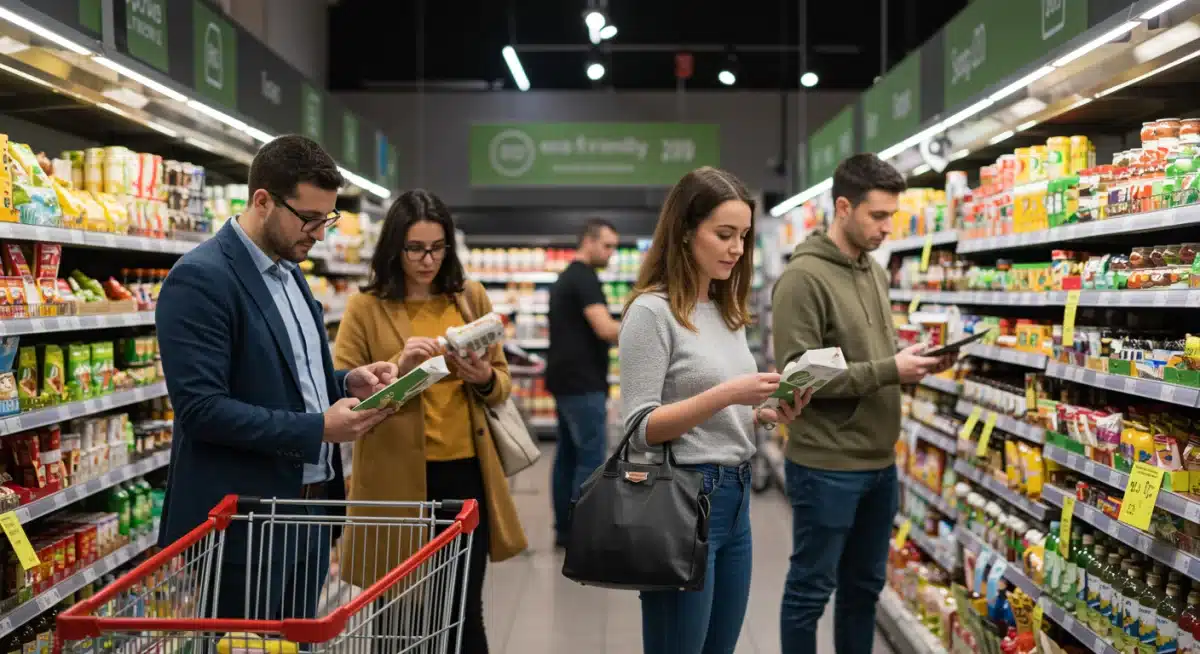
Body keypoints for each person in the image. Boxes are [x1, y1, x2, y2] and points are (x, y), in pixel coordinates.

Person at [155, 135, 399, 623]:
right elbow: (202, 410)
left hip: (309, 514)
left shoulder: (291, 272)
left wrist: (345, 383)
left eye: (327, 219)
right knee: (245, 647)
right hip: (244, 525)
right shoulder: (201, 278)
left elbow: (290, 378)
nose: (320, 235)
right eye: (309, 219)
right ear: (263, 201)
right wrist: (319, 429)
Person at [620, 167, 812, 653]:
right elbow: (640, 428)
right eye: (724, 234)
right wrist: (728, 394)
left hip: (736, 497)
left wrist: (763, 412)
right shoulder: (651, 312)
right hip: (683, 498)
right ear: (686, 231)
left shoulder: (725, 310)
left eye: (743, 236)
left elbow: (719, 410)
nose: (737, 249)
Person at [333, 189, 527, 654]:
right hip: (393, 481)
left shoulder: (469, 297)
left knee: (463, 611)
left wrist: (482, 377)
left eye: (438, 248)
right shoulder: (365, 308)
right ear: (394, 248)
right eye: (416, 249)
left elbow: (501, 383)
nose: (428, 260)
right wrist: (400, 368)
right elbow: (346, 395)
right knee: (397, 613)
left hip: (465, 474)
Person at [772, 153, 953, 653]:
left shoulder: (873, 270)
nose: (888, 228)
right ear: (844, 207)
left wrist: (914, 360)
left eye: (892, 215)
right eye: (878, 215)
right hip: (826, 462)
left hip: (879, 462)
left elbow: (871, 355)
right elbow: (797, 377)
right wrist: (890, 370)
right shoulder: (803, 278)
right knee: (810, 591)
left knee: (864, 590)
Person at [545, 218, 621, 547]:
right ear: (588, 241)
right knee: (590, 458)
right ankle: (584, 535)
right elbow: (606, 329)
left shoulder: (568, 277)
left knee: (568, 456)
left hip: (565, 381)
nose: (611, 253)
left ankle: (565, 530)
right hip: (583, 383)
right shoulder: (584, 278)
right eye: (607, 246)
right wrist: (645, 327)